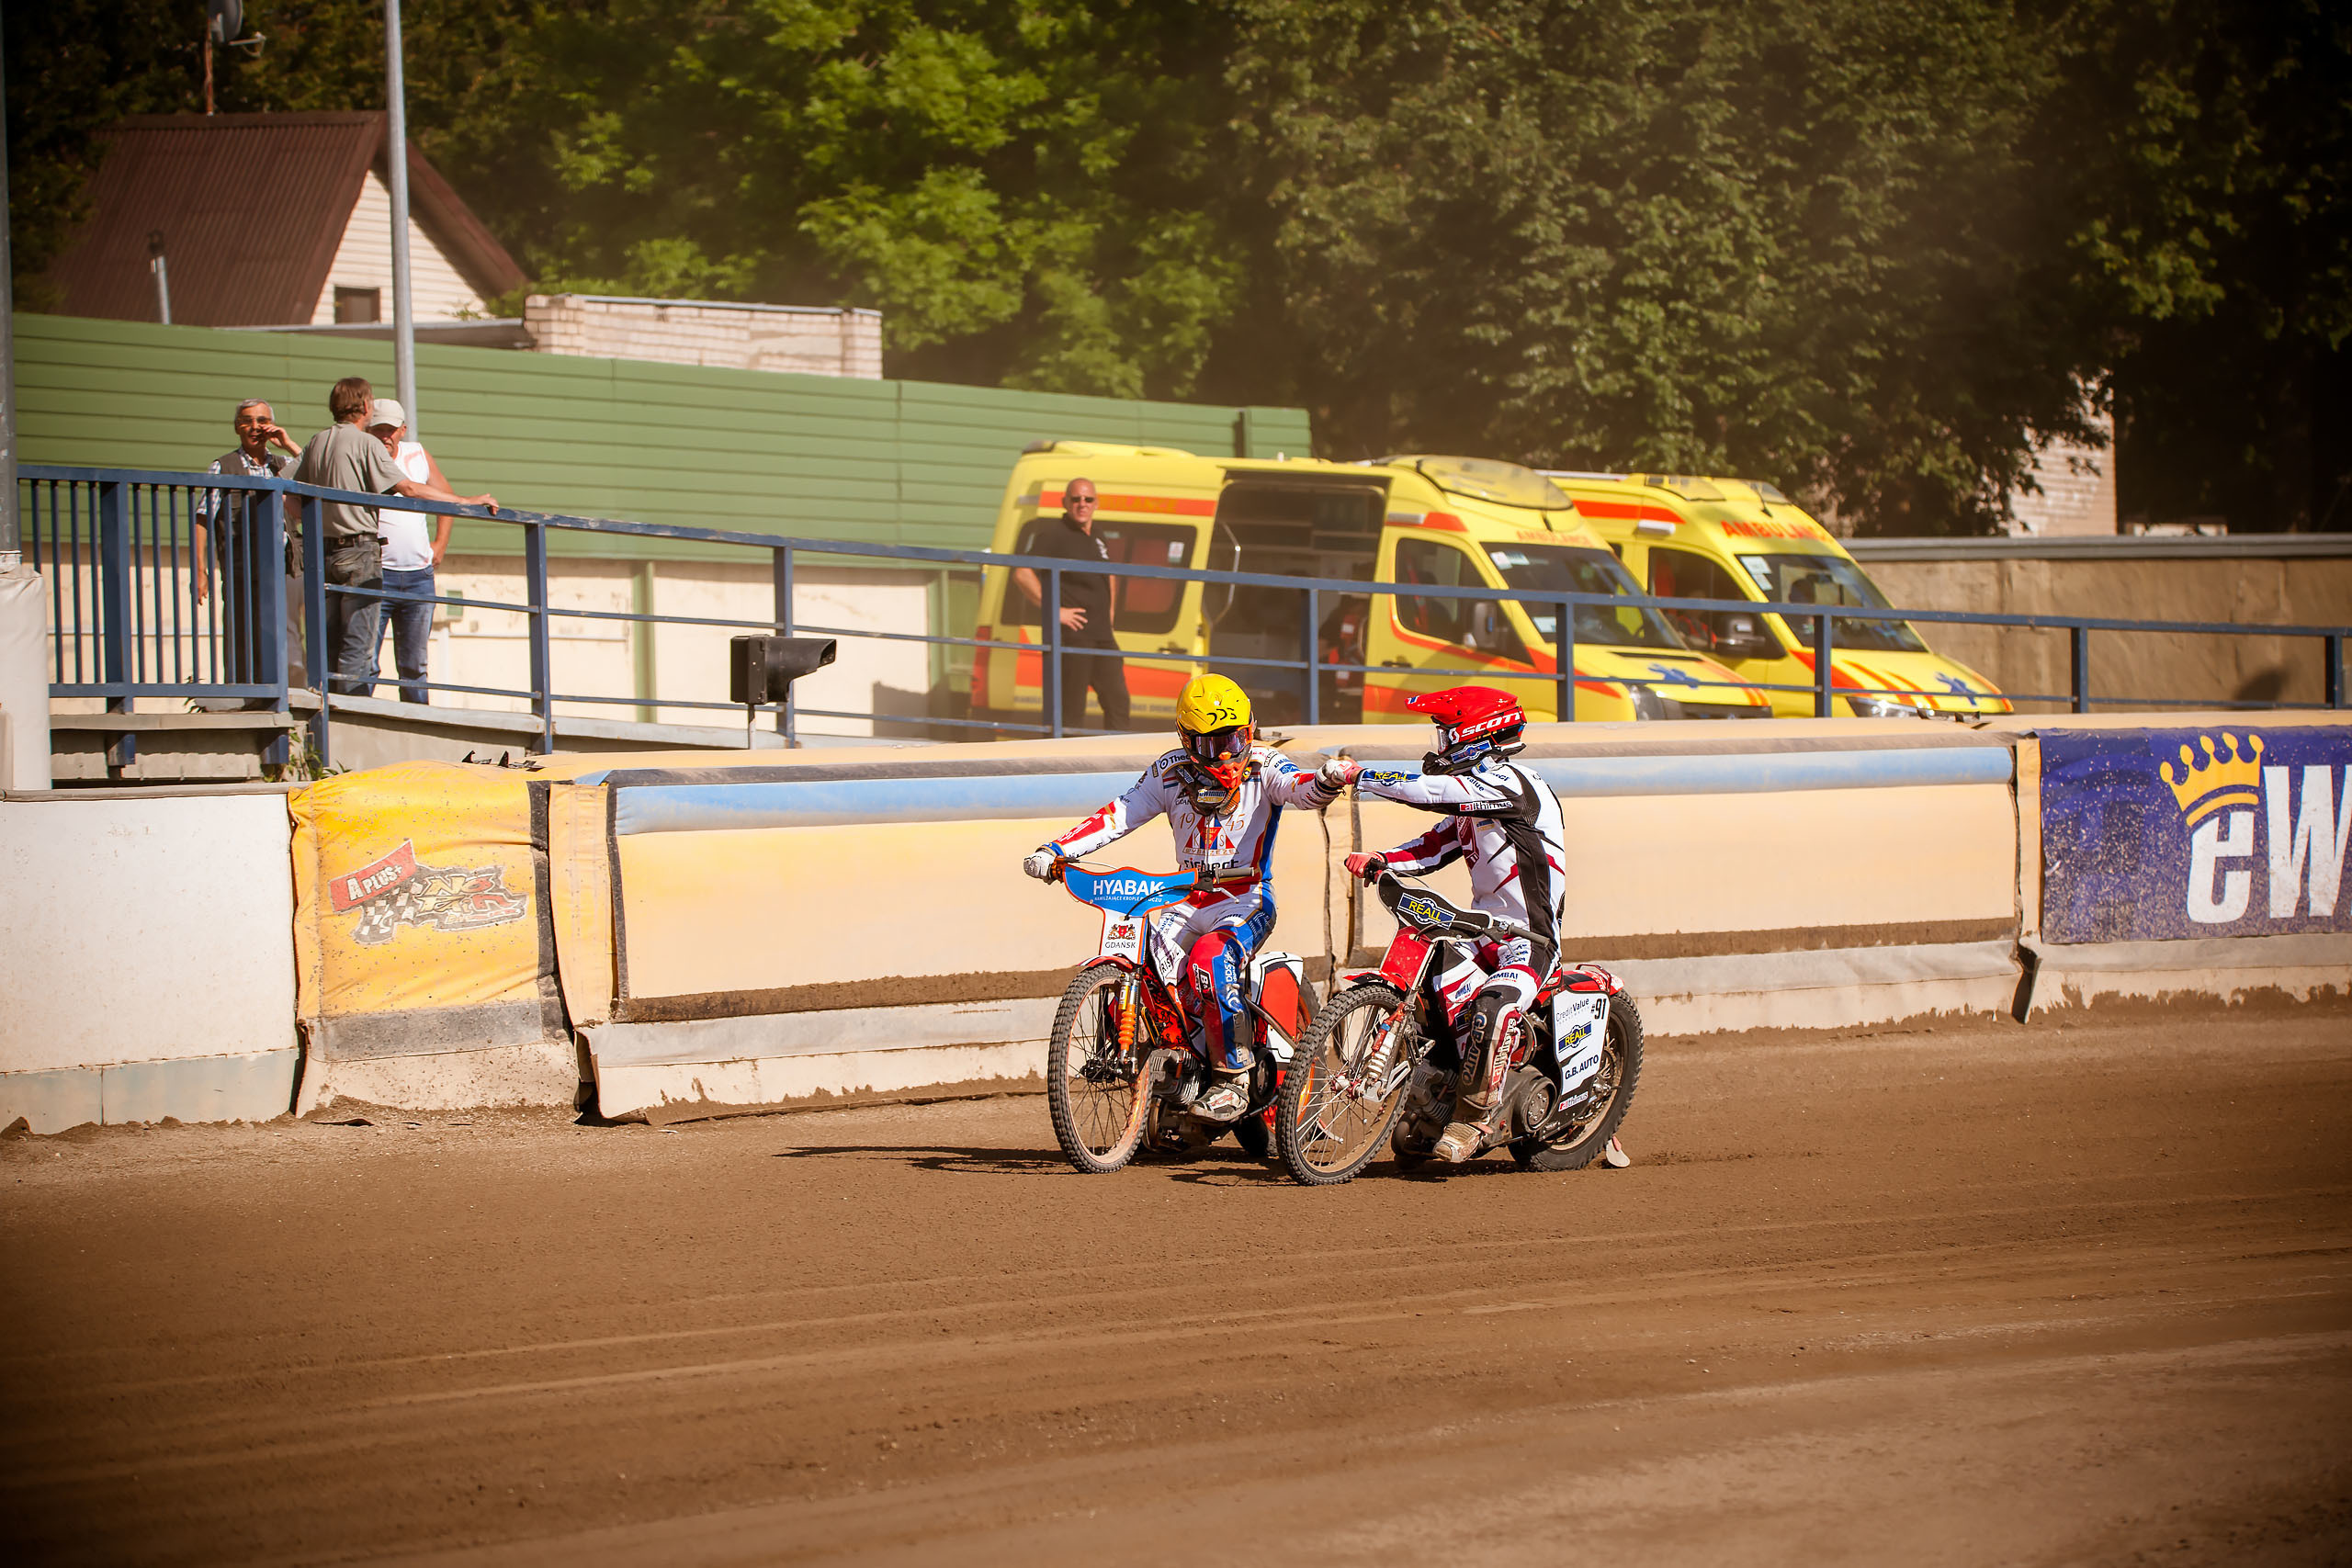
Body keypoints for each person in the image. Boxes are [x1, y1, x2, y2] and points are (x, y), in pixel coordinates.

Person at [1022, 674, 1350, 1121]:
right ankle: (1171, 1067)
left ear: (1250, 729)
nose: (1229, 753)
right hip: (1181, 899)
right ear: (1188, 741)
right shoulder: (1167, 770)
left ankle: (1233, 1076)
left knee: (1211, 959)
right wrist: (1056, 849)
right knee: (1143, 956)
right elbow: (1119, 813)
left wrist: (1326, 781)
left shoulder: (1266, 765)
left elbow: (1300, 789)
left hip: (1245, 899)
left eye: (1237, 736)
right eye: (1214, 744)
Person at [1326, 686, 1573, 1164]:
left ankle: (1477, 1118)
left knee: (1494, 1008)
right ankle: (1439, 1087)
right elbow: (1432, 846)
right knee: (1430, 983)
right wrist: (1381, 858)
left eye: (1446, 733)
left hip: (1530, 940)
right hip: (1486, 933)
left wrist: (1360, 775)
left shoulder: (1511, 784)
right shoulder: (1476, 797)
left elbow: (1430, 792)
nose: (1440, 745)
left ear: (1477, 734)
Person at [290, 377, 495, 696]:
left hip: (324, 552)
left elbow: (288, 494)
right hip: (359, 553)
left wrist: (318, 519)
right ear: (365, 406)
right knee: (359, 650)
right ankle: (352, 724)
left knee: (329, 645)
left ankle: (325, 722)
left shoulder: (317, 441)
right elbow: (409, 489)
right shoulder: (365, 443)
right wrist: (466, 502)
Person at [193, 399, 300, 700]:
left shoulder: (283, 465)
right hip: (243, 565)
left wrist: (288, 444)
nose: (256, 427)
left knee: (285, 633)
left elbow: (316, 474)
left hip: (284, 565)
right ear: (237, 427)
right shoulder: (223, 466)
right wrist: (200, 569)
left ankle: (283, 693)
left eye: (262, 420)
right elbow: (204, 517)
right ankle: (242, 696)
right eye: (247, 421)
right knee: (243, 631)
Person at [1011, 477, 1131, 732]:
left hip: (1103, 636)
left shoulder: (1098, 535)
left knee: (1118, 701)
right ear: (1065, 502)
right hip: (1073, 637)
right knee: (1070, 713)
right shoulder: (1054, 534)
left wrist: (1108, 617)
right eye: (1075, 499)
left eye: (1088, 499)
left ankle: (1118, 763)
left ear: (1096, 503)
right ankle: (1063, 765)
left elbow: (1108, 574)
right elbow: (1022, 573)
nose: (1082, 504)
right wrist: (1055, 611)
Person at [366, 398, 458, 704]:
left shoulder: (416, 453)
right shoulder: (363, 456)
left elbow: (447, 497)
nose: (385, 437)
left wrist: (440, 543)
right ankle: (354, 721)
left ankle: (419, 725)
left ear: (402, 430)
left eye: (391, 430)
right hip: (376, 575)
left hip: (418, 576)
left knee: (415, 666)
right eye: (378, 429)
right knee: (367, 662)